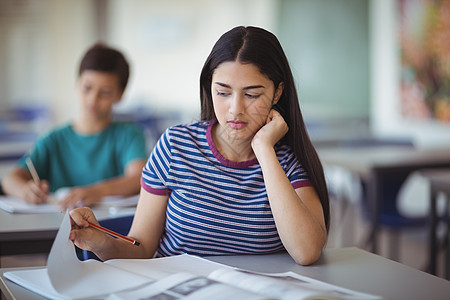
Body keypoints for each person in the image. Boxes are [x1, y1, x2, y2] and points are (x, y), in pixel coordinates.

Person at [69, 26, 330, 266]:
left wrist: (264, 150)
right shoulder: (175, 146)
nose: (235, 109)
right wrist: (102, 242)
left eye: (251, 94)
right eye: (223, 92)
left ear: (277, 92)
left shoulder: (287, 159)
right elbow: (142, 247)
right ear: (209, 87)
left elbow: (306, 252)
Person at [1, 43, 147, 210]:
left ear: (120, 94)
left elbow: (138, 179)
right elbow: (10, 180)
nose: (93, 99)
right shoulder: (53, 139)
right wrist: (25, 191)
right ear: (77, 84)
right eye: (87, 88)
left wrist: (95, 192)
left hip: (109, 231)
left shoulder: (129, 135)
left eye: (105, 92)